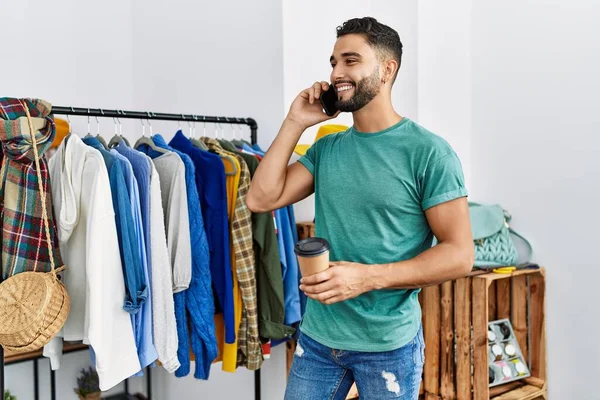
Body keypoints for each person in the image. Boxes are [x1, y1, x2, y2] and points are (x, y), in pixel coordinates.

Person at [246, 16, 474, 400]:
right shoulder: (328, 147)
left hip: (388, 345)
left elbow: (460, 255)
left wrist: (367, 278)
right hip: (318, 339)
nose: (337, 73)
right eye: (333, 62)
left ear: (387, 70)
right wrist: (295, 121)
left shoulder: (429, 153)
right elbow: (261, 198)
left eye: (350, 61)